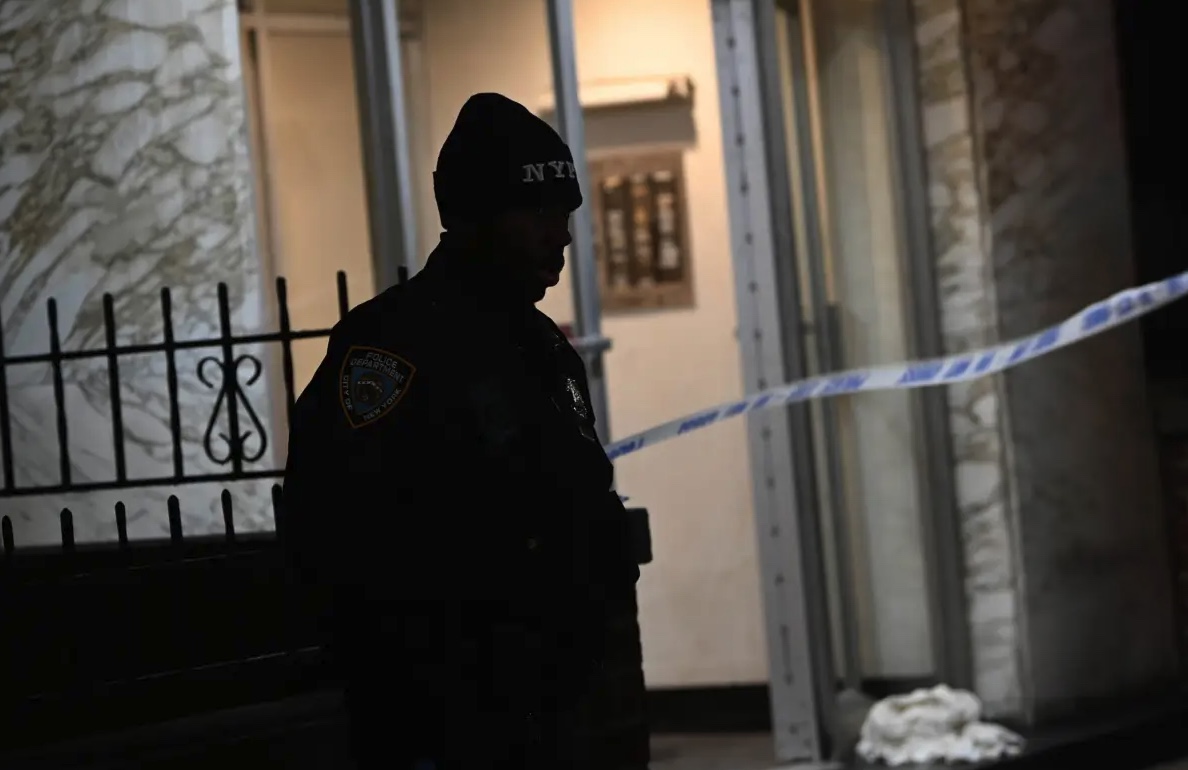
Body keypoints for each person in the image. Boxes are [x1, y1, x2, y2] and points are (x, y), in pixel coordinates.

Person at [280, 93, 640, 769]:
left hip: (550, 705)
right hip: (438, 715)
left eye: (564, 214)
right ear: (474, 217)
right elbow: (341, 527)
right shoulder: (392, 345)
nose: (560, 234)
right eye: (536, 213)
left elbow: (579, 494)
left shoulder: (544, 349)